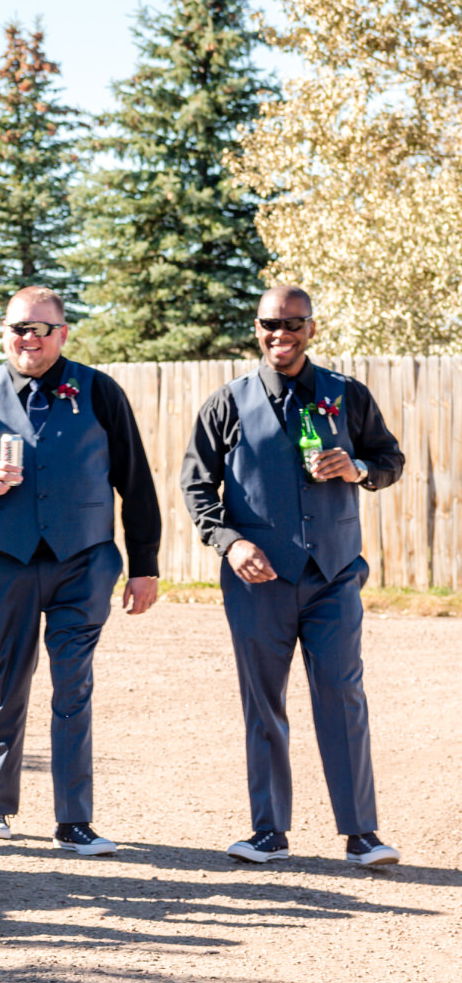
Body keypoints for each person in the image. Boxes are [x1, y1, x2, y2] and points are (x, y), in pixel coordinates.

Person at [0, 286, 160, 856]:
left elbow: (136, 482)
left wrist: (143, 566)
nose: (28, 338)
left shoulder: (99, 392)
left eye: (40, 329)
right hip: (4, 561)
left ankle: (74, 819)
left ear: (63, 334)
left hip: (85, 561)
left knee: (73, 684)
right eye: (18, 328)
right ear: (5, 333)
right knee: (6, 680)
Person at [180, 287, 404, 867]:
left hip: (333, 575)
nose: (280, 333)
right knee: (264, 703)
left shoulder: (347, 395)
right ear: (256, 329)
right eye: (269, 324)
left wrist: (356, 469)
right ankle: (268, 832)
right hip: (258, 579)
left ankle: (362, 834)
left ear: (311, 327)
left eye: (292, 323)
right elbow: (197, 486)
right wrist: (230, 544)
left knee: (343, 696)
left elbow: (390, 459)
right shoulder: (226, 403)